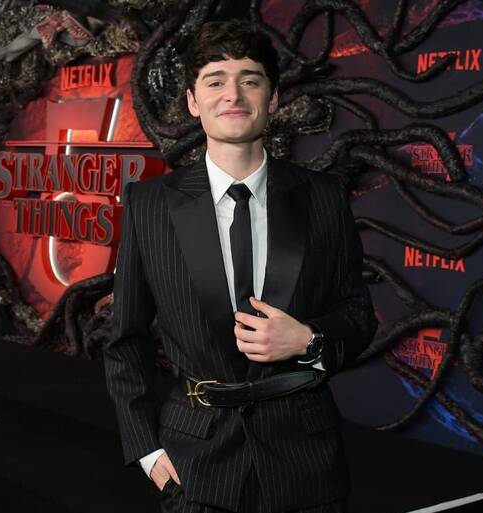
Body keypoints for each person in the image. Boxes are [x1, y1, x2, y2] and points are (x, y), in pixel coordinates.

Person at [104, 18, 377, 513]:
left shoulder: (324, 197)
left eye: (250, 80)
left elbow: (358, 315)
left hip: (307, 462)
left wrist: (308, 339)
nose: (233, 94)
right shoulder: (149, 204)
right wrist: (144, 447)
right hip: (194, 464)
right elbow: (126, 338)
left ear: (273, 98)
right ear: (193, 101)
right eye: (215, 81)